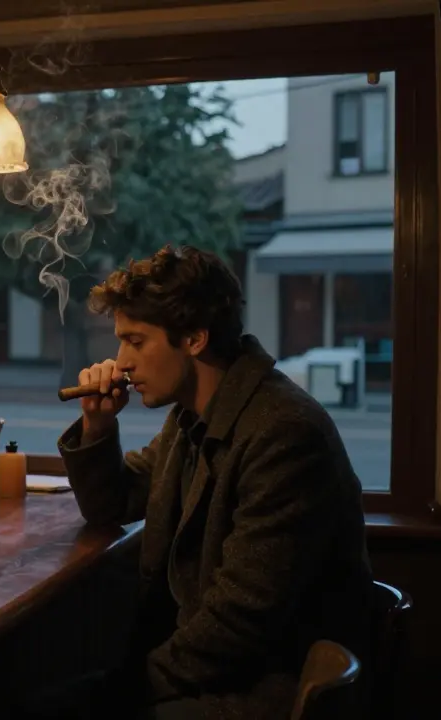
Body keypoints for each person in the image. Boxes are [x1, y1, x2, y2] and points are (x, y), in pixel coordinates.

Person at [56, 246, 372, 720]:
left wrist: (125, 686)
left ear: (195, 338)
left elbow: (240, 624)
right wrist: (98, 428)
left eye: (136, 341)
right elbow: (114, 505)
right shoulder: (194, 416)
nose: (120, 363)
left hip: (262, 690)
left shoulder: (282, 431)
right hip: (212, 672)